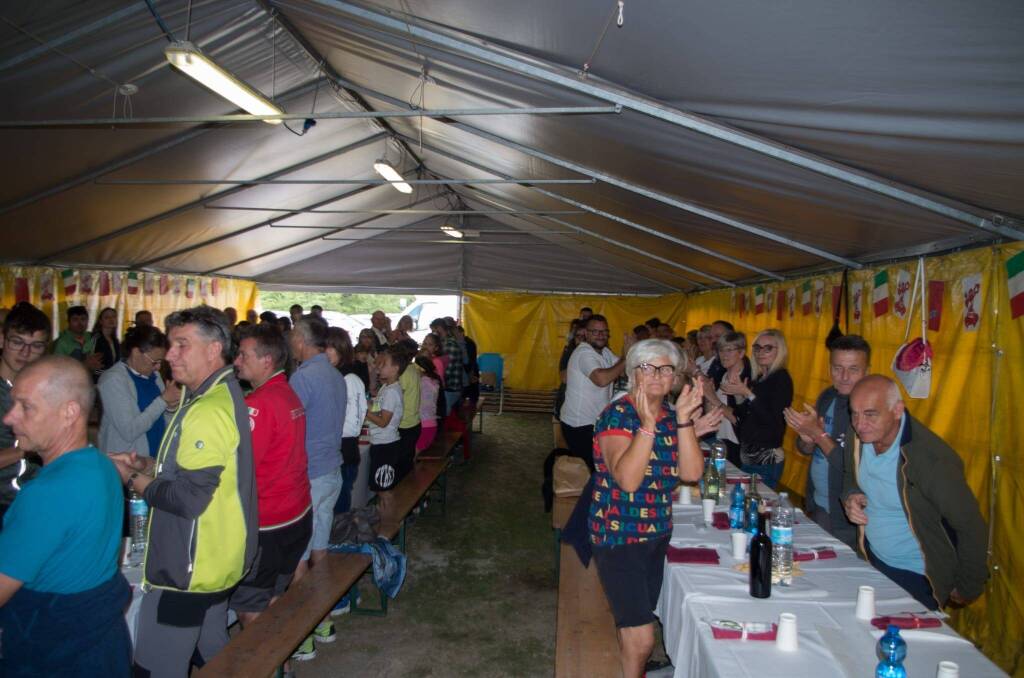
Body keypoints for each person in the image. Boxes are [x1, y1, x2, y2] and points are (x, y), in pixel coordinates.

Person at [109, 305, 256, 677]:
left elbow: (188, 499)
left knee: (155, 666)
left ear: (212, 349)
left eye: (181, 345)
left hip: (190, 567)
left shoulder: (206, 409)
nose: (169, 355)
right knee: (212, 650)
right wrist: (147, 466)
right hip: (217, 554)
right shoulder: (222, 392)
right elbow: (206, 472)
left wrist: (130, 478)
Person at [0, 356, 131, 676]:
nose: (9, 418)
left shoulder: (46, 494)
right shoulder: (102, 466)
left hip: (57, 658)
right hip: (101, 646)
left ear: (69, 412)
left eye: (25, 406)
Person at [589, 340, 705, 678]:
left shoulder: (671, 415)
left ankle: (632, 664)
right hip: (618, 535)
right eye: (648, 367)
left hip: (656, 532)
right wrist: (647, 426)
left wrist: (684, 420)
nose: (657, 375)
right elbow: (627, 480)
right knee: (642, 637)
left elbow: (691, 473)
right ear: (632, 373)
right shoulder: (617, 414)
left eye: (666, 368)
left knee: (637, 620)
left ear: (675, 376)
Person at [842, 375, 988, 610]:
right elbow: (848, 476)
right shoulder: (857, 437)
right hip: (871, 559)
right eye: (854, 413)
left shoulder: (931, 460)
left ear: (897, 410)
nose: (859, 424)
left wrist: (968, 585)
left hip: (918, 577)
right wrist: (850, 495)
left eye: (870, 414)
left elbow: (970, 525)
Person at [230, 325, 312, 658]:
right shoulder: (287, 392)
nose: (236, 361)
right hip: (295, 514)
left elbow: (243, 469)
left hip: (269, 524)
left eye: (243, 354)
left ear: (266, 360)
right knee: (273, 598)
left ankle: (268, 663)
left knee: (251, 608)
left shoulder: (259, 404)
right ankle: (283, 662)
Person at [287, 316, 347, 656]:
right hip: (331, 472)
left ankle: (302, 635)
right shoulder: (335, 374)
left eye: (293, 336)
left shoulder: (304, 377)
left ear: (301, 340)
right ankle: (323, 621)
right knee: (319, 551)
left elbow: (291, 429)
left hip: (308, 474)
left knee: (298, 554)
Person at [784, 334, 870, 547]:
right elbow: (807, 449)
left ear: (867, 371)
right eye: (837, 368)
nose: (844, 376)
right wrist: (807, 438)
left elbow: (852, 466)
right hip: (818, 503)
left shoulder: (869, 410)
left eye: (853, 369)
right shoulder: (828, 396)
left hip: (847, 515)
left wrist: (818, 435)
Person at [560, 314, 633, 472]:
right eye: (595, 331)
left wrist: (631, 355)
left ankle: (592, 494)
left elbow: (622, 372)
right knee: (598, 470)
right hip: (579, 425)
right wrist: (626, 358)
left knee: (600, 468)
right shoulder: (584, 353)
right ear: (586, 333)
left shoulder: (604, 352)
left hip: (594, 422)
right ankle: (590, 496)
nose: (601, 335)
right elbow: (601, 379)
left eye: (604, 331)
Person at [724, 329, 793, 489]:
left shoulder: (781, 378)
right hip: (749, 454)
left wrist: (747, 393)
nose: (761, 352)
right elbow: (742, 415)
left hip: (765, 458)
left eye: (768, 348)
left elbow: (773, 420)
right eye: (757, 348)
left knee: (758, 507)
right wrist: (739, 394)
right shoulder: (760, 378)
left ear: (780, 351)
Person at [0, 303, 51, 521]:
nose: (26, 352)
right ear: (2, 340)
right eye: (17, 342)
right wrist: (27, 450)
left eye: (36, 346)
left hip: (33, 500)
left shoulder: (43, 390)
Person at [97, 325, 179, 458]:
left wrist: (170, 407)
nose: (158, 367)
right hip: (126, 462)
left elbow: (162, 418)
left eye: (161, 362)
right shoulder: (113, 380)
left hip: (155, 457)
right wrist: (163, 401)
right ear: (136, 352)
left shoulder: (154, 376)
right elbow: (129, 431)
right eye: (155, 361)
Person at [325, 327, 367, 515]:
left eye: (330, 348)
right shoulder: (333, 376)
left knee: (339, 507)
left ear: (341, 349)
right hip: (336, 452)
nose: (324, 353)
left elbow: (353, 425)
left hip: (344, 451)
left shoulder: (349, 379)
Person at [701, 330, 751, 468]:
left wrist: (713, 398)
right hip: (720, 440)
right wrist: (707, 395)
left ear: (741, 353)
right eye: (721, 350)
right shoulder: (721, 375)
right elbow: (711, 415)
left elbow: (739, 420)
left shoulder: (747, 380)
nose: (724, 355)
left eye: (729, 350)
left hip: (738, 446)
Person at [365, 348, 405, 495]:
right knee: (380, 487)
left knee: (384, 489)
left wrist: (365, 412)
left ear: (395, 369)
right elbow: (378, 408)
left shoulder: (392, 392)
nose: (379, 367)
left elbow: (383, 422)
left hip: (386, 445)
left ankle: (390, 517)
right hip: (381, 443)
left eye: (384, 364)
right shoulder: (386, 387)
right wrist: (367, 404)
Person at [395, 343, 421, 477]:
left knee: (402, 464)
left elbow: (397, 397)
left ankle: (404, 493)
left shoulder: (404, 373)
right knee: (406, 461)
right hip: (413, 421)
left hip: (405, 423)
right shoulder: (413, 369)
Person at [430, 318, 465, 415]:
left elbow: (445, 372)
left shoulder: (449, 345)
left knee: (444, 417)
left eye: (433, 330)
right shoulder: (446, 343)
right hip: (451, 387)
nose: (433, 333)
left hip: (450, 388)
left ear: (439, 328)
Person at [53, 305, 102, 371]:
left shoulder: (92, 337)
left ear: (87, 321)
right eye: (75, 319)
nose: (80, 323)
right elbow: (58, 369)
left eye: (83, 319)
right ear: (68, 322)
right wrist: (84, 365)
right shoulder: (61, 342)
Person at [555, 320, 587, 419]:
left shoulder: (600, 353)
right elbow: (564, 378)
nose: (581, 340)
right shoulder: (569, 351)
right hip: (569, 400)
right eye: (578, 336)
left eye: (584, 337)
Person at [415, 356, 442, 453]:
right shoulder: (433, 381)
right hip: (431, 424)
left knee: (413, 455)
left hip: (423, 425)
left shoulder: (421, 383)